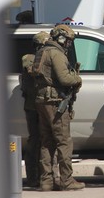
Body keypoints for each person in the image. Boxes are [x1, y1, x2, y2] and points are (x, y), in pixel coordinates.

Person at [32, 24, 84, 191]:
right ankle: (67, 181)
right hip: (55, 102)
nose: (69, 44)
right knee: (64, 142)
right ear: (61, 38)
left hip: (42, 101)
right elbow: (65, 79)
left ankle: (46, 181)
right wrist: (77, 78)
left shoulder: (42, 51)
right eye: (68, 40)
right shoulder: (56, 53)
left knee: (47, 142)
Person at [21, 31, 49, 187]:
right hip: (33, 107)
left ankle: (44, 176)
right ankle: (33, 177)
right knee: (35, 141)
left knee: (45, 141)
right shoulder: (29, 59)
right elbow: (31, 69)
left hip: (41, 105)